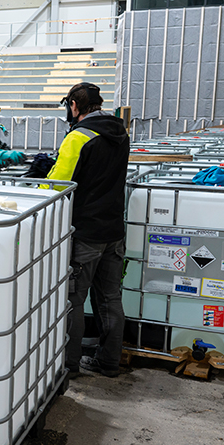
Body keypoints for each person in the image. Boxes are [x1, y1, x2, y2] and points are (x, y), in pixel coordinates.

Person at [43, 82, 129, 378]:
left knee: (73, 300)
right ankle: (109, 362)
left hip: (86, 233)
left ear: (74, 106)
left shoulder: (78, 136)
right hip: (114, 231)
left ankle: (68, 366)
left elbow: (56, 185)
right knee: (110, 298)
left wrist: (37, 183)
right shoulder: (121, 133)